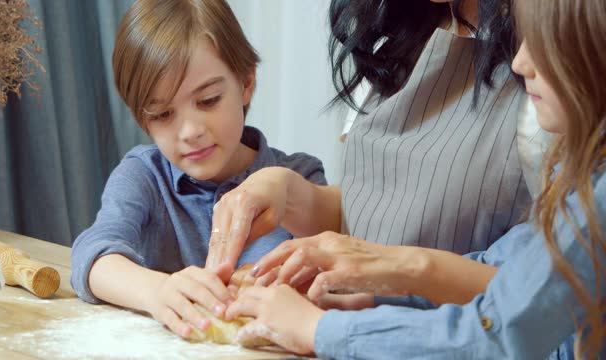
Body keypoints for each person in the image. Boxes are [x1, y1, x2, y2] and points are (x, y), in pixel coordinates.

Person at [225, 0, 606, 358]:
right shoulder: (394, 41)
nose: (524, 64)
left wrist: (324, 327)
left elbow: (504, 323)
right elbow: (514, 268)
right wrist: (374, 298)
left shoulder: (558, 135)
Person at [206, 0, 534, 286]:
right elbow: (371, 216)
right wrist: (287, 191)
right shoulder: (404, 37)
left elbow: (542, 288)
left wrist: (398, 271)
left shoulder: (543, 71)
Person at [69, 0, 326, 339]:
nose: (190, 131)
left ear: (246, 82)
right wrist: (158, 291)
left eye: (208, 101)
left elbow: (329, 279)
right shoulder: (144, 176)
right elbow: (92, 255)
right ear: (142, 119)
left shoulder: (299, 178)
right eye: (162, 114)